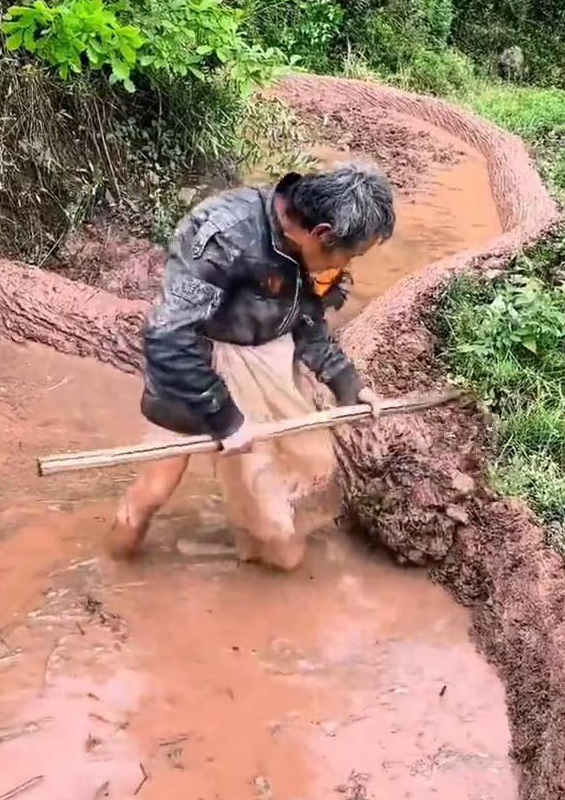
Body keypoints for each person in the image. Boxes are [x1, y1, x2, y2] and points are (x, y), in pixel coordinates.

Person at [110, 162, 395, 569]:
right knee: (153, 491)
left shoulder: (307, 248)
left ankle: (257, 538)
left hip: (264, 355)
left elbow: (307, 319)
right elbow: (169, 337)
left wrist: (348, 383)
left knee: (306, 475)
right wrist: (226, 419)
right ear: (322, 234)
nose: (349, 265)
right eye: (352, 253)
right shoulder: (223, 234)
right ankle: (112, 585)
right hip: (194, 363)